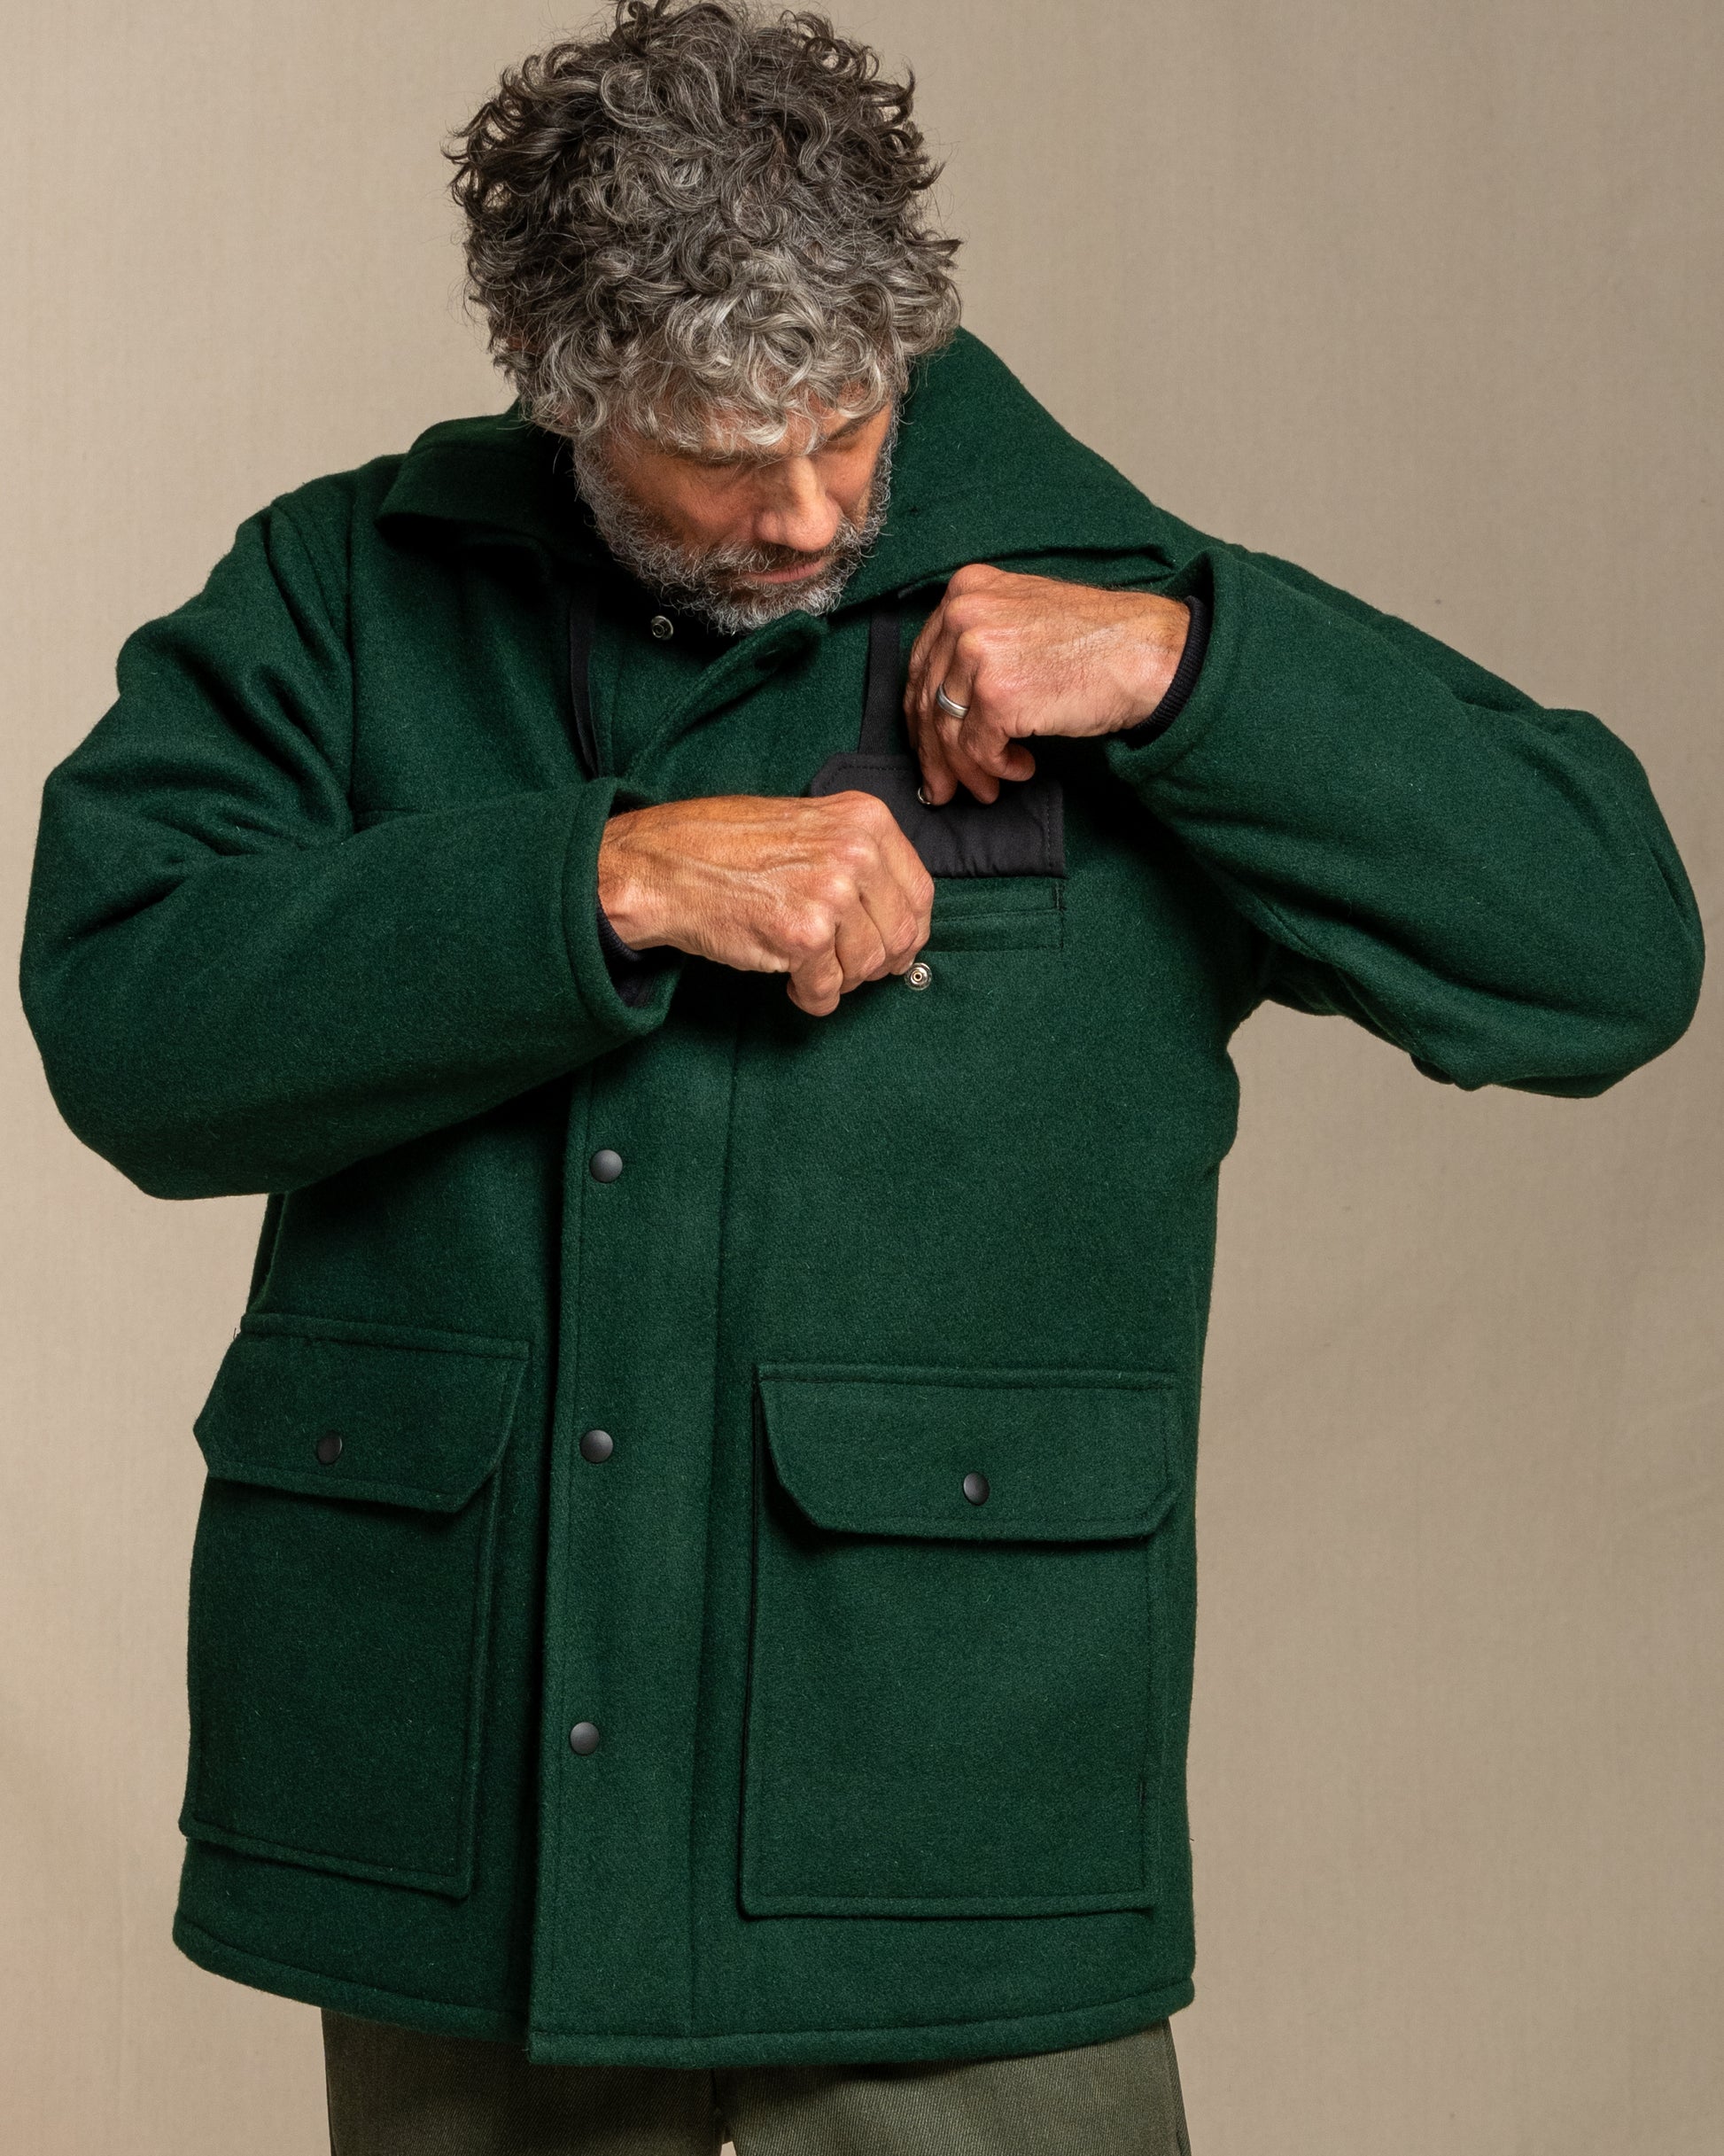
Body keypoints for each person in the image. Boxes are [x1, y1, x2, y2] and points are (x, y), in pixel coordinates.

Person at [19, 3, 1703, 2150]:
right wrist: (596, 882)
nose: (806, 507)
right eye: (720, 451)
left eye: (844, 416)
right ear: (563, 400)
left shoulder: (1106, 604)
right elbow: (128, 1014)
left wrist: (1193, 669)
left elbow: (1604, 955)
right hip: (460, 1807)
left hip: (938, 1814)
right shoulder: (346, 598)